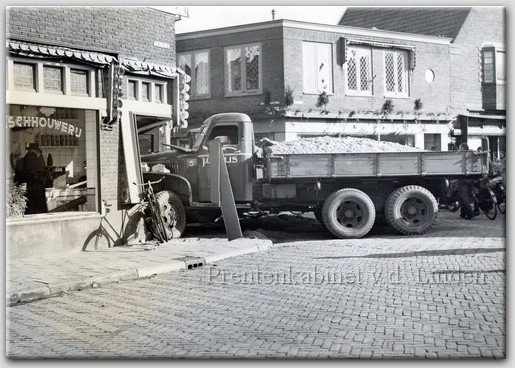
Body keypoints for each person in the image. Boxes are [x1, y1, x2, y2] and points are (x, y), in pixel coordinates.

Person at [14, 143, 48, 214]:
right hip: (37, 189)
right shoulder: (38, 159)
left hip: (29, 189)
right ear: (36, 150)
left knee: (30, 210)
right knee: (39, 210)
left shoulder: (23, 160)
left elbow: (18, 179)